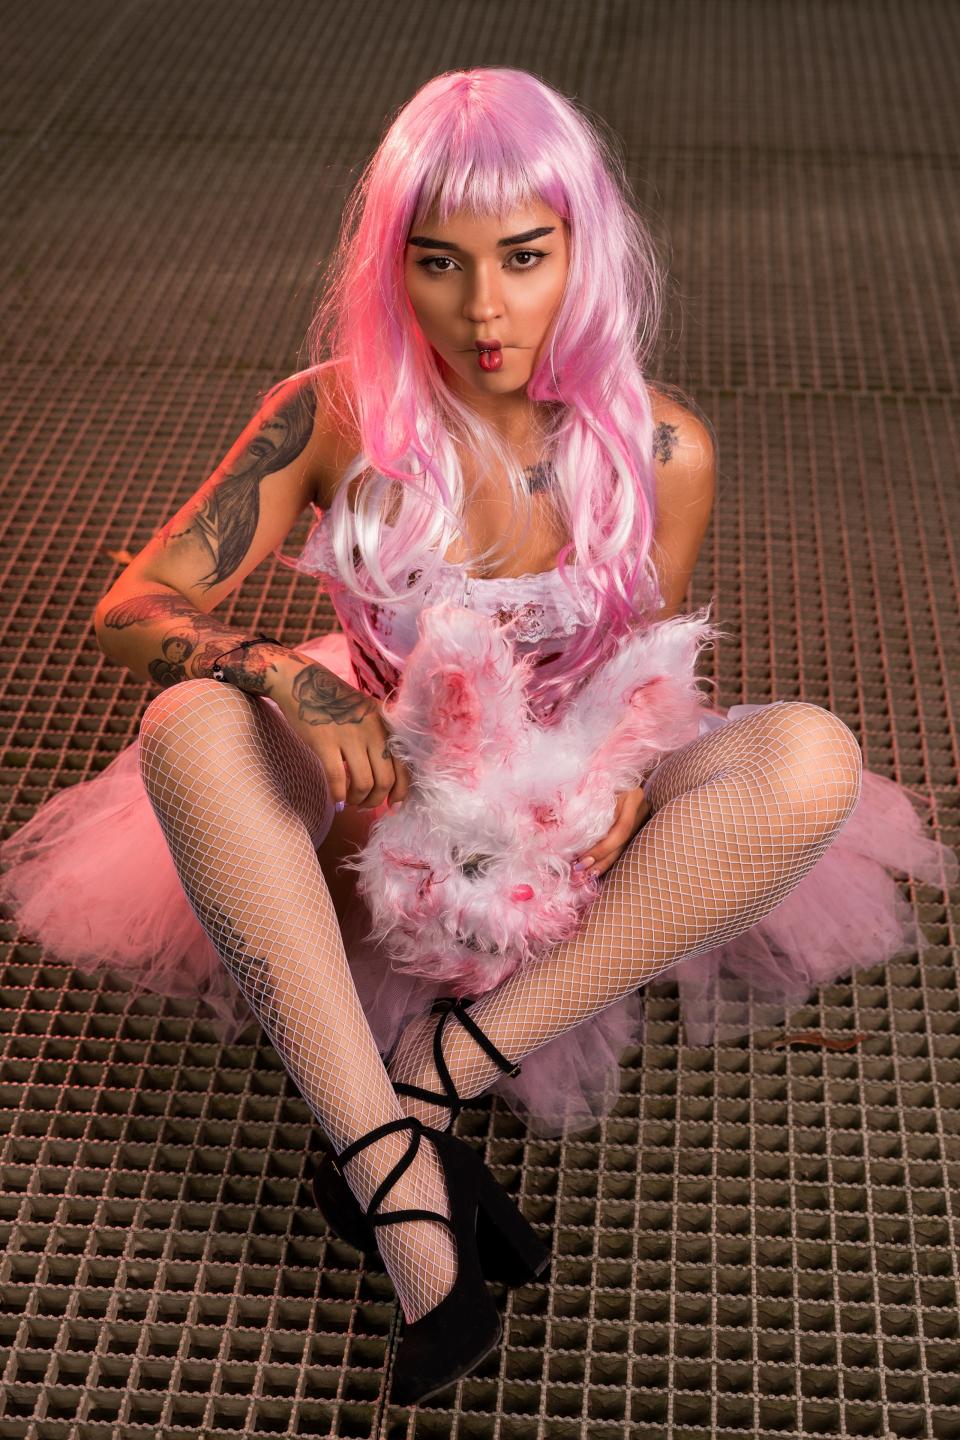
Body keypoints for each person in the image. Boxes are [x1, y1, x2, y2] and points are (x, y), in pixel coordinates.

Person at [1, 67, 956, 1406]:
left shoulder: (661, 448)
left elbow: (645, 668)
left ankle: (436, 1074)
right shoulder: (330, 415)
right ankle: (401, 1196)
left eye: (522, 256)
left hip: (561, 812)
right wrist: (283, 675)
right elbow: (134, 605)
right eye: (439, 263)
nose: (484, 309)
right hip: (375, 788)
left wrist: (625, 782)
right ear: (394, 267)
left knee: (813, 760)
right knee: (186, 725)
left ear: (582, 247)